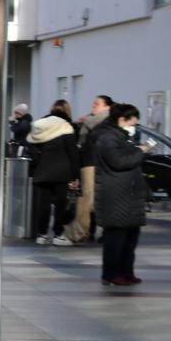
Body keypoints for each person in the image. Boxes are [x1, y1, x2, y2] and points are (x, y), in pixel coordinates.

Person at [96, 103, 150, 286]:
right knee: (116, 238)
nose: (134, 127)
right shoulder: (108, 138)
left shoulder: (123, 137)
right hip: (115, 194)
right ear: (122, 120)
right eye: (133, 123)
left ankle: (127, 272)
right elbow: (118, 162)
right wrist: (140, 151)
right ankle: (111, 274)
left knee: (130, 238)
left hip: (129, 194)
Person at [25, 109, 80, 246]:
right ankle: (58, 234)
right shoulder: (66, 129)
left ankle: (42, 234)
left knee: (43, 205)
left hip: (42, 171)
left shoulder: (40, 129)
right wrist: (75, 176)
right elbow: (73, 154)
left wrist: (38, 160)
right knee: (60, 204)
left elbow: (30, 147)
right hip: (61, 172)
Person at [65, 94, 115, 242]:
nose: (94, 106)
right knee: (89, 198)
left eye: (97, 104)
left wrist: (85, 123)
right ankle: (88, 231)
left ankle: (83, 231)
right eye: (93, 103)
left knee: (89, 198)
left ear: (107, 107)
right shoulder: (91, 120)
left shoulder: (104, 121)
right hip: (88, 162)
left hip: (94, 163)